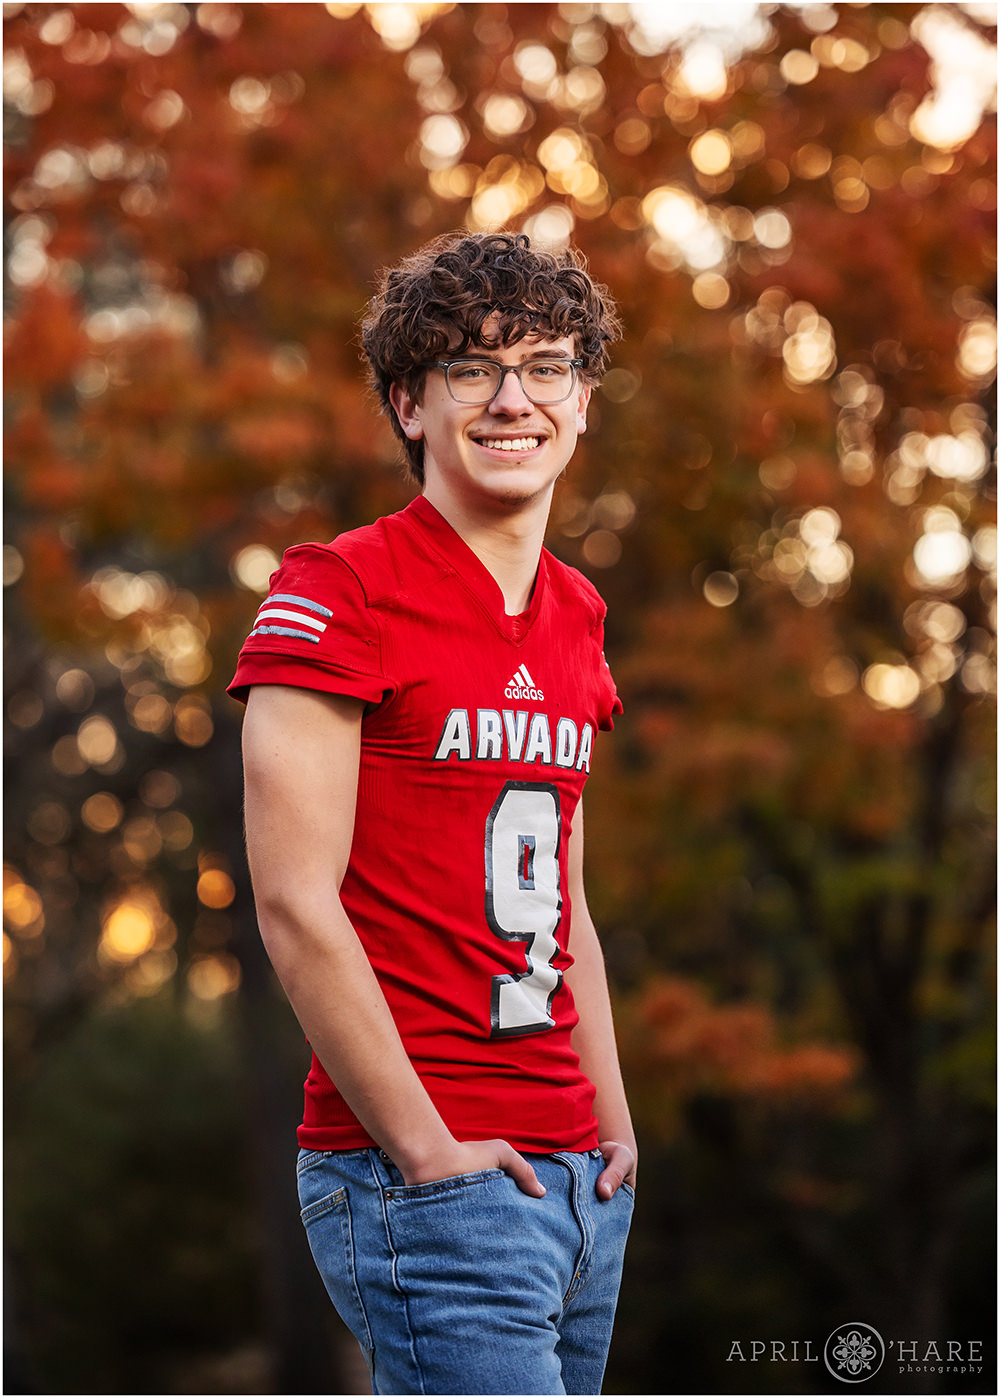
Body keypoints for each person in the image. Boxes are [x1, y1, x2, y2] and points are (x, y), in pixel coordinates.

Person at [229, 230, 637, 1397]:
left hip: (576, 1179)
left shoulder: (576, 611)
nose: (513, 400)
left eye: (545, 367)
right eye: (471, 369)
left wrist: (612, 1129)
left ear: (582, 397)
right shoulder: (338, 589)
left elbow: (566, 899)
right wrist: (427, 1155)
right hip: (428, 1172)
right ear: (410, 403)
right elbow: (294, 905)